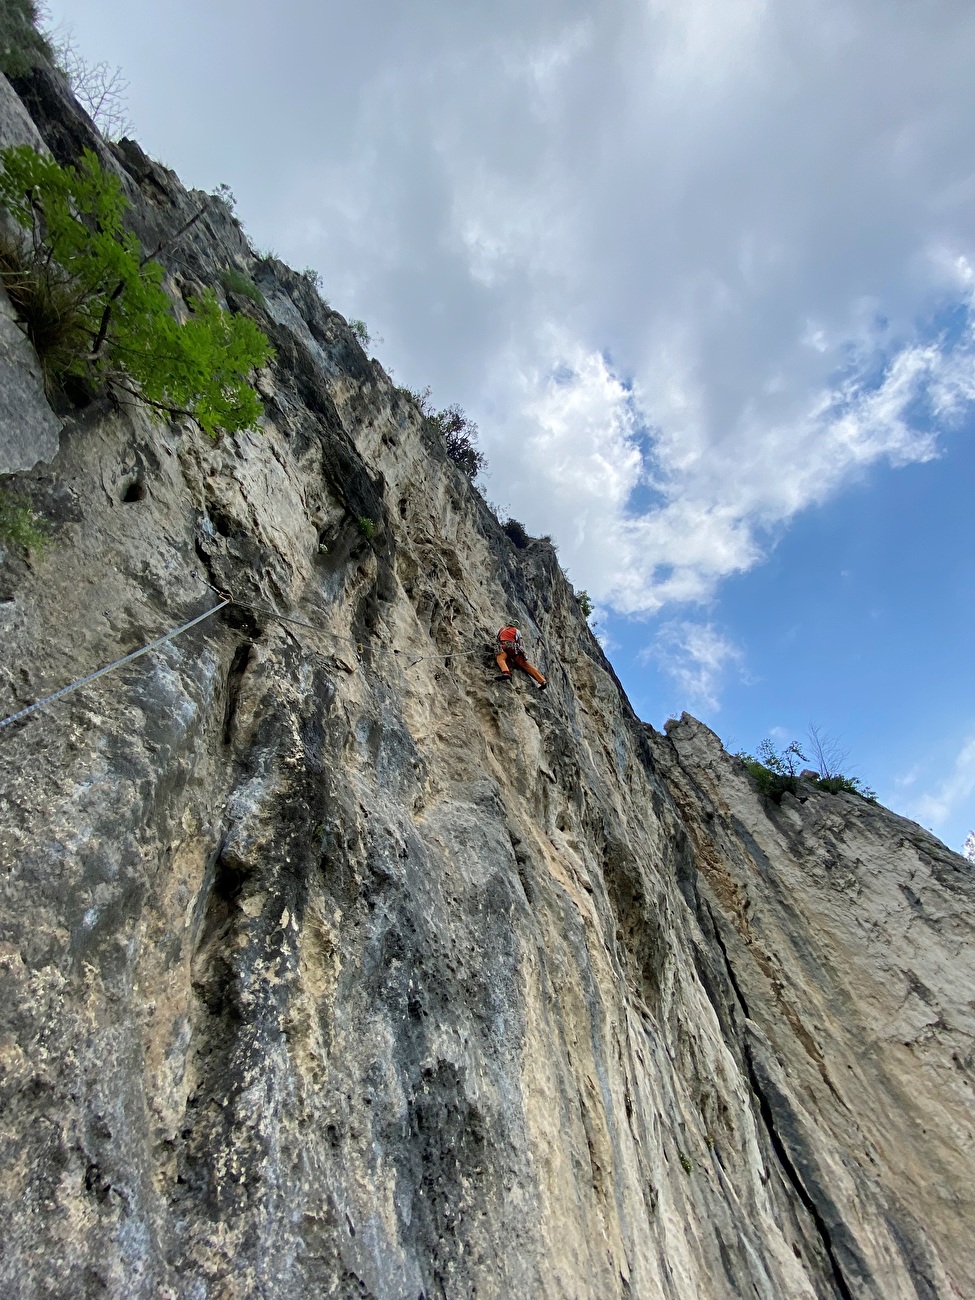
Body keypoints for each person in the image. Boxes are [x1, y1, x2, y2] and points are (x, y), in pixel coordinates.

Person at [496, 624, 547, 689]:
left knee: (500, 659)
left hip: (503, 647)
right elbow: (519, 642)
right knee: (525, 665)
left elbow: (497, 639)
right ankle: (542, 681)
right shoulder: (517, 631)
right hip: (513, 649)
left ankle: (506, 673)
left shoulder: (501, 629)